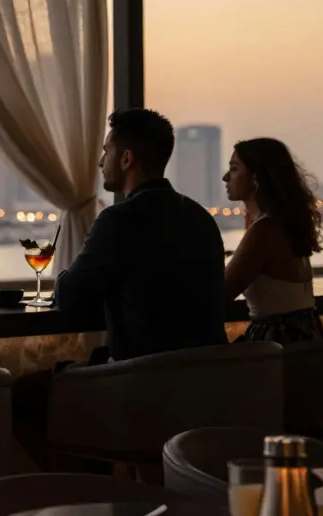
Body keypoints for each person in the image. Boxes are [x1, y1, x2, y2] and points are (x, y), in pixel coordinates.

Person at [54, 108, 228, 361]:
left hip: (140, 377)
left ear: (126, 159)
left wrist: (62, 277)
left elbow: (70, 297)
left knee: (36, 383)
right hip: (209, 376)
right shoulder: (201, 218)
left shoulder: (116, 221)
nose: (101, 162)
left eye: (106, 151)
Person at [223, 138, 323, 344]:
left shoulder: (264, 231)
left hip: (279, 343)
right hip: (304, 337)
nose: (225, 177)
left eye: (234, 169)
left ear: (256, 177)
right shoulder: (282, 225)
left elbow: (221, 293)